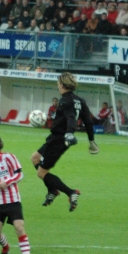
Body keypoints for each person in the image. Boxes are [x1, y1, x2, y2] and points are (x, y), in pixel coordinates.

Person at [30, 72, 99, 212]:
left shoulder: (64, 100)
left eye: (58, 83)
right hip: (56, 138)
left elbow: (71, 117)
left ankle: (70, 192)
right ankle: (52, 190)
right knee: (35, 158)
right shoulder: (80, 100)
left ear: (61, 84)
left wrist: (68, 133)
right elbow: (88, 122)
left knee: (41, 173)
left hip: (59, 139)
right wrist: (91, 141)